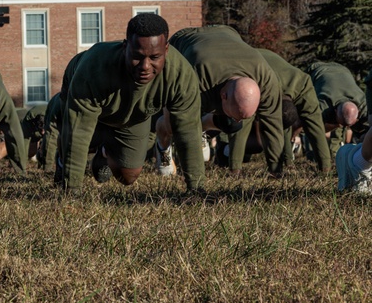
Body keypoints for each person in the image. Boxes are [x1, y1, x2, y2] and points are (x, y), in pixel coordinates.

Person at [58, 13, 204, 193]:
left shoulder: (180, 75)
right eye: (137, 56)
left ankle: (105, 152)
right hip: (88, 99)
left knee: (128, 176)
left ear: (166, 50)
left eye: (154, 57)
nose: (145, 66)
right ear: (125, 46)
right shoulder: (94, 68)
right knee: (74, 137)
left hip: (132, 116)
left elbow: (188, 131)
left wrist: (196, 189)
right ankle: (62, 166)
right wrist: (72, 191)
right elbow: (77, 131)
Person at [163, 26, 284, 176]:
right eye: (233, 114)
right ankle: (162, 147)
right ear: (223, 95)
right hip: (183, 40)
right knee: (170, 126)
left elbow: (273, 127)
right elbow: (183, 126)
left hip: (226, 31)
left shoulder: (266, 79)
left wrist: (276, 172)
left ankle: (204, 129)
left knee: (231, 124)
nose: (237, 120)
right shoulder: (197, 80)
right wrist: (190, 176)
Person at [250, 49, 332, 172]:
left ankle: (287, 159)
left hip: (271, 62)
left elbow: (316, 128)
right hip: (251, 57)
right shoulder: (258, 86)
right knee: (253, 145)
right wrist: (275, 171)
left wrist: (326, 167)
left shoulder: (303, 83)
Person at [308, 60, 367, 153]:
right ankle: (312, 157)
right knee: (313, 130)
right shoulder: (322, 106)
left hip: (342, 69)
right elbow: (310, 128)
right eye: (341, 124)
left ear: (358, 112)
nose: (343, 127)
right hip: (316, 70)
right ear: (335, 111)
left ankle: (335, 153)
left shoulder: (363, 104)